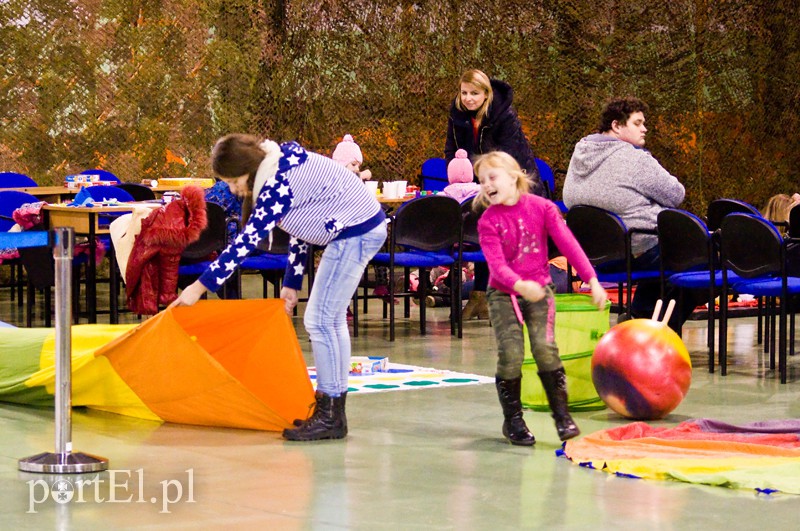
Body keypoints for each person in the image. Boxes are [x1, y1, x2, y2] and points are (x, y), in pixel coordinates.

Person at [170, 134, 387, 442]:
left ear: (247, 170)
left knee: (320, 321)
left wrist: (198, 287)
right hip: (359, 228)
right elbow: (302, 223)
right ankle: (332, 412)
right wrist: (291, 283)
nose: (234, 190)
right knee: (329, 320)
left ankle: (330, 415)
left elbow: (243, 244)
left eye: (234, 182)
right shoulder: (281, 165)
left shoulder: (275, 183)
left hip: (355, 231)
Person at [473, 151, 607, 445]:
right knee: (511, 353)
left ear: (513, 176)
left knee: (545, 348)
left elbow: (568, 244)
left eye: (492, 177)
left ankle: (562, 416)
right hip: (503, 294)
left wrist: (592, 280)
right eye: (482, 181)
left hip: (540, 290)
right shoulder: (487, 221)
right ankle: (513, 420)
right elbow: (497, 266)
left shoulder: (543, 207)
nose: (486, 185)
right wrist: (520, 285)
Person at [561, 96, 691, 331]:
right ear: (616, 126)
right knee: (703, 261)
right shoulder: (634, 158)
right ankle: (648, 326)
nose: (645, 129)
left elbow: (570, 199)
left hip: (592, 257)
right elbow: (676, 194)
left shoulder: (580, 153)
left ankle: (638, 317)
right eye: (638, 123)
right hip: (637, 252)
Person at [445, 69, 545, 319]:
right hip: (479, 185)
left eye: (474, 93)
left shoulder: (504, 116)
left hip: (515, 182)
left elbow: (507, 156)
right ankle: (480, 295)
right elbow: (452, 151)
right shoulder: (457, 116)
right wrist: (461, 175)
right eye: (464, 93)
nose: (468, 98)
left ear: (486, 94)